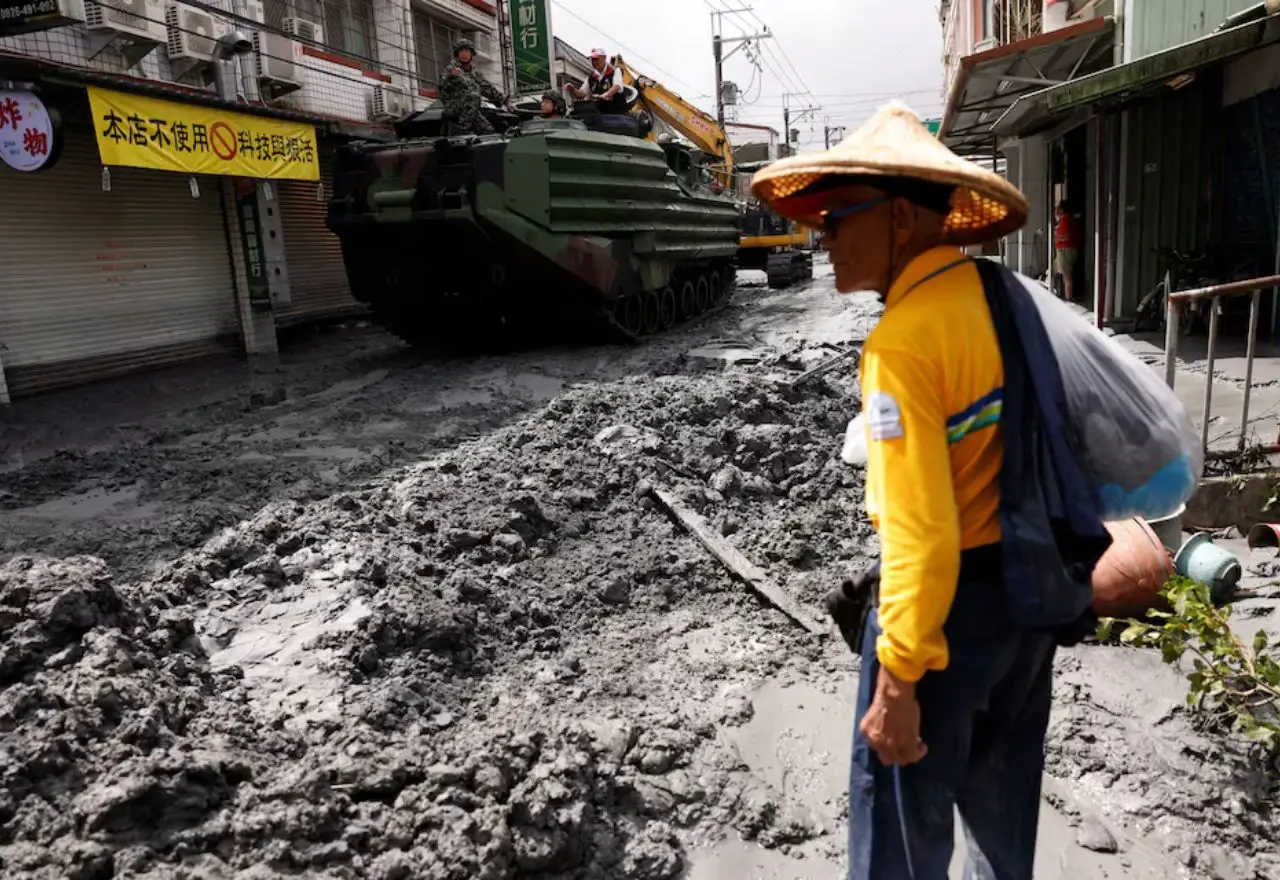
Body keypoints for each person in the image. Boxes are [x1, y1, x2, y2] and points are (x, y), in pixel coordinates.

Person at [751, 103, 1107, 879]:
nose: (823, 238)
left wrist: (899, 678)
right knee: (1002, 835)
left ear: (901, 218)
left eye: (838, 218)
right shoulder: (1002, 297)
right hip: (1026, 602)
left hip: (945, 624)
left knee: (899, 848)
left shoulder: (903, 343)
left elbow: (922, 533)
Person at [438, 38, 507, 135]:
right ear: (457, 54)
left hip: (470, 109)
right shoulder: (452, 69)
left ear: (472, 54)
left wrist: (505, 101)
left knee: (488, 131)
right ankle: (461, 131)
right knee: (473, 95)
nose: (464, 54)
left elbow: (487, 88)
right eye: (461, 52)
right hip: (454, 107)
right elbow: (442, 85)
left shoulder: (474, 72)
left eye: (467, 51)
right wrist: (452, 77)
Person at [566, 48, 627, 115]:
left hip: (617, 116)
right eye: (592, 60)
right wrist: (573, 89)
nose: (594, 62)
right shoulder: (591, 77)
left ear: (604, 58)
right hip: (600, 116)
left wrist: (605, 95)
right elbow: (582, 94)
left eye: (596, 59)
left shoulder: (615, 71)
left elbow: (617, 86)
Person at [1054, 201, 1078, 301]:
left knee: (1066, 275)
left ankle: (1069, 298)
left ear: (1061, 210)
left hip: (1064, 250)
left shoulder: (1065, 220)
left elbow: (1065, 236)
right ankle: (1066, 295)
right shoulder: (1064, 220)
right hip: (1065, 249)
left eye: (1057, 208)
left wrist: (1056, 236)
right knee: (1057, 271)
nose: (1055, 210)